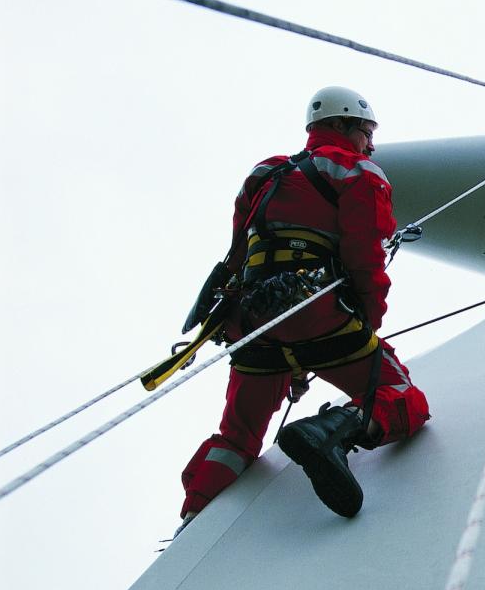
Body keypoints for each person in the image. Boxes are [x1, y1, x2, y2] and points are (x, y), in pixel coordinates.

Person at [177, 86, 430, 532]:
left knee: (236, 437)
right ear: (344, 125)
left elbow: (239, 250)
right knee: (401, 394)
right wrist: (366, 322)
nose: (370, 143)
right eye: (367, 132)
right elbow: (366, 256)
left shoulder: (265, 174)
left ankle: (194, 517)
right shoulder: (357, 171)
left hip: (253, 322)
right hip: (314, 310)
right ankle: (334, 431)